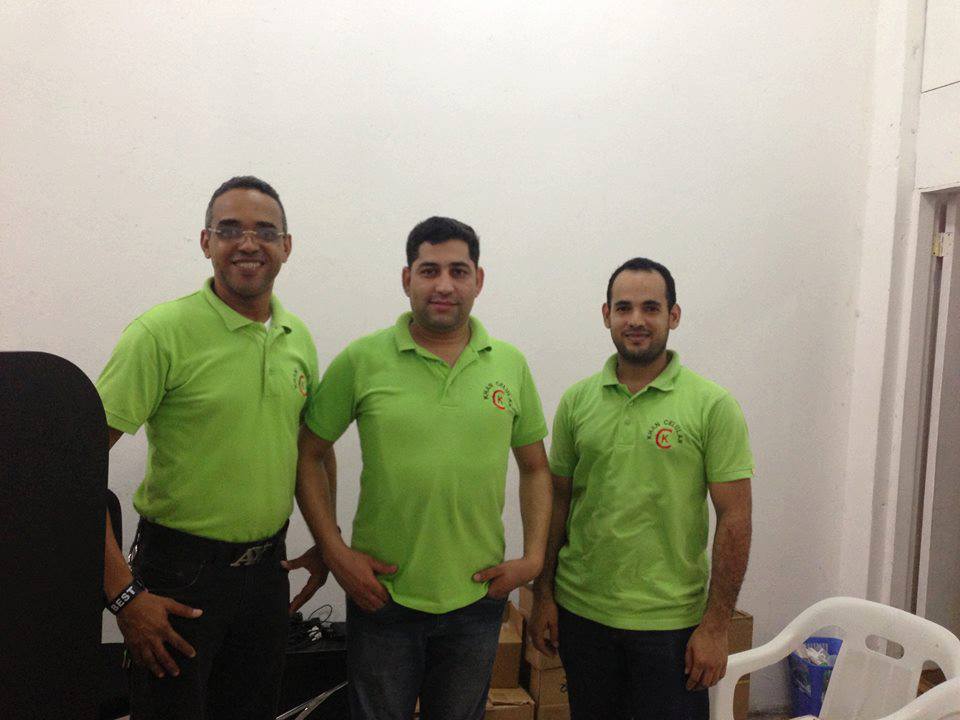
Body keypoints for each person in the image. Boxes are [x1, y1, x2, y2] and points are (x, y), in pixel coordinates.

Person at [296, 216, 553, 720]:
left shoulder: (509, 364)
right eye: (429, 270)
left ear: (478, 280)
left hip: (477, 596)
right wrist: (334, 550)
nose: (444, 285)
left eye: (458, 271)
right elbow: (307, 453)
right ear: (406, 278)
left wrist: (534, 558)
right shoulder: (362, 360)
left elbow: (535, 469)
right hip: (381, 597)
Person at [97, 176, 333, 720]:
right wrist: (123, 596)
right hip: (180, 576)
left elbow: (312, 451)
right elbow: (72, 467)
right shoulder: (159, 333)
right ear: (206, 242)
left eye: (265, 232)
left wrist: (327, 541)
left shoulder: (297, 337)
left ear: (286, 247)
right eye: (230, 230)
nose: (248, 244)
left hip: (267, 575)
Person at [529, 257, 753, 720]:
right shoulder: (577, 401)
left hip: (670, 625)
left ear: (674, 315)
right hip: (582, 615)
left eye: (651, 308)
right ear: (606, 314)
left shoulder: (712, 406)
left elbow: (735, 517)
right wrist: (544, 594)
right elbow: (558, 502)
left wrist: (716, 626)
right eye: (623, 307)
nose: (636, 320)